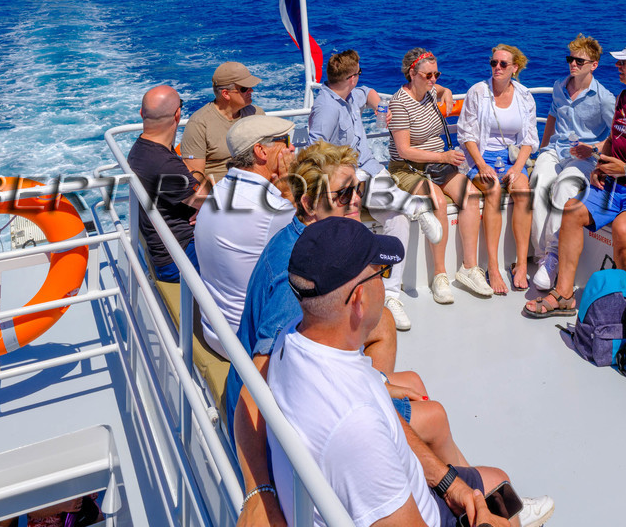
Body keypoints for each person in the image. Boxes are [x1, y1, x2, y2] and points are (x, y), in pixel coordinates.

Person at [255, 216, 554, 527]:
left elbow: (387, 421)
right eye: (381, 273)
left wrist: (447, 482)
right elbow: (367, 434)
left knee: (497, 482)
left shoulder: (295, 338)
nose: (385, 282)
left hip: (412, 492)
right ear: (358, 298)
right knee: (507, 515)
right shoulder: (356, 427)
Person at [231, 143, 475, 499]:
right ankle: (478, 498)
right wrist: (260, 492)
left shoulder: (309, 240)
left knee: (386, 326)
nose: (356, 201)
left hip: (310, 381)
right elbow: (254, 392)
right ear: (309, 205)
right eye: (344, 194)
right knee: (434, 415)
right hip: (291, 419)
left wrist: (377, 383)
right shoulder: (296, 282)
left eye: (358, 189)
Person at [523, 41, 626, 320]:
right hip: (614, 184)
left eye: (624, 63)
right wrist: (600, 165)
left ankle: (624, 301)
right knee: (572, 210)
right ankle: (564, 294)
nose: (618, 67)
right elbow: (613, 138)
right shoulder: (624, 98)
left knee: (622, 228)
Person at [305, 49, 441, 330]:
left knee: (396, 219)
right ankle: (415, 207)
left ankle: (391, 294)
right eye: (358, 75)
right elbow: (314, 151)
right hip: (345, 176)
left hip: (367, 165)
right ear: (351, 77)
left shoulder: (350, 93)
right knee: (372, 186)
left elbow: (368, 92)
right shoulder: (327, 108)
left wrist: (381, 105)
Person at [194, 115, 296, 354]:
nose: (292, 148)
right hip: (247, 340)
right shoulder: (274, 209)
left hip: (215, 329)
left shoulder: (218, 190)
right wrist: (289, 183)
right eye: (286, 141)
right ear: (261, 151)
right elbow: (321, 237)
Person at [529, 36, 614, 293]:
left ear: (594, 65)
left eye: (579, 60)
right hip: (556, 150)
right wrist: (542, 152)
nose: (573, 64)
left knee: (565, 187)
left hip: (585, 157)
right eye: (570, 59)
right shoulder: (559, 86)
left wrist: (595, 149)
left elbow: (615, 134)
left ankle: (553, 257)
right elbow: (553, 118)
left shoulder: (605, 99)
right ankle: (542, 254)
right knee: (539, 180)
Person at [387, 49, 469, 305]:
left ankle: (469, 267)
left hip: (436, 163)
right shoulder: (399, 104)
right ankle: (439, 275)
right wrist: (444, 157)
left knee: (471, 194)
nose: (433, 79)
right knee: (439, 203)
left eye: (437, 74)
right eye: (428, 75)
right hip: (408, 168)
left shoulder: (431, 91)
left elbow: (442, 90)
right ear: (412, 73)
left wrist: (446, 93)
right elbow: (404, 150)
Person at [454, 45, 537, 297]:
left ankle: (521, 264)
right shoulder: (477, 92)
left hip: (510, 159)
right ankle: (492, 266)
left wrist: (517, 168)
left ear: (515, 68)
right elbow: (466, 135)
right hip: (478, 158)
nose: (497, 68)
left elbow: (529, 140)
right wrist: (481, 164)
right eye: (494, 63)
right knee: (491, 191)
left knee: (522, 190)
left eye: (503, 64)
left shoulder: (524, 96)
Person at [126, 85, 209, 281]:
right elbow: (206, 199)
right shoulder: (164, 163)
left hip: (166, 247)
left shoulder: (141, 149)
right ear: (177, 115)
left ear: (141, 113)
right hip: (178, 257)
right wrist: (198, 174)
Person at [181, 61, 264, 187]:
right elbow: (195, 176)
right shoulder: (199, 124)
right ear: (226, 94)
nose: (251, 90)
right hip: (222, 193)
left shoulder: (257, 114)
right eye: (244, 88)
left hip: (257, 186)